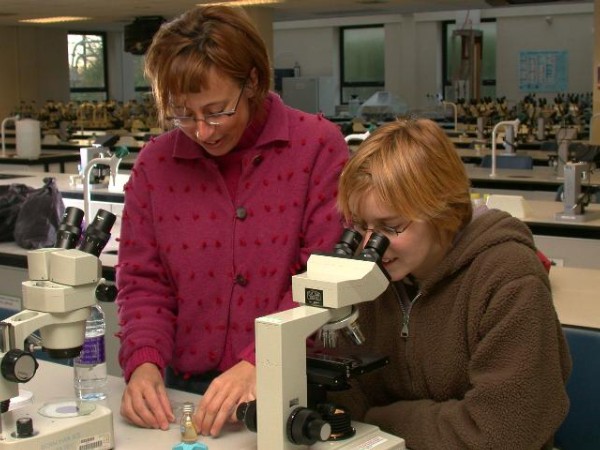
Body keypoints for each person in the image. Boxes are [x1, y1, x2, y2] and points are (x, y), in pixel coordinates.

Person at [115, 5, 349, 438]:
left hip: (290, 391)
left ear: (254, 82)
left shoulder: (317, 148)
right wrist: (144, 363)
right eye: (183, 115)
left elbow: (322, 280)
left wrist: (261, 360)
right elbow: (144, 281)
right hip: (182, 393)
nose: (203, 132)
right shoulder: (154, 165)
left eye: (217, 111)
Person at [326, 117, 571, 449]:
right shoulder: (373, 279)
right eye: (362, 227)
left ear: (443, 211)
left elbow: (503, 431)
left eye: (391, 227)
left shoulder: (508, 278)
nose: (373, 245)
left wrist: (382, 420)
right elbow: (348, 397)